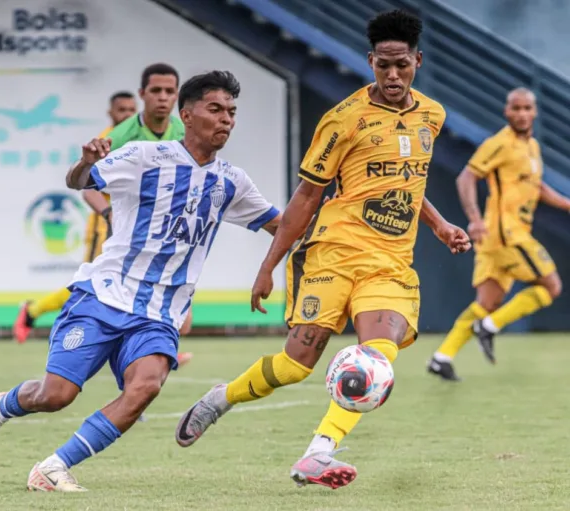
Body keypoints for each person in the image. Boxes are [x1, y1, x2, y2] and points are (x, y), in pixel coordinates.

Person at [175, 10, 471, 490]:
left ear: (417, 60)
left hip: (390, 264)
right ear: (370, 61)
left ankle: (319, 452)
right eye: (383, 66)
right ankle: (221, 398)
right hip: (332, 253)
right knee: (294, 366)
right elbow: (305, 198)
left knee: (376, 358)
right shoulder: (342, 120)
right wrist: (267, 266)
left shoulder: (431, 116)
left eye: (402, 65)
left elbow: (408, 182)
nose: (393, 76)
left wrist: (438, 224)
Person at [0, 70, 282, 492]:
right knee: (56, 396)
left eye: (232, 112)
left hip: (159, 314)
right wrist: (86, 163)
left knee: (145, 387)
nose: (226, 120)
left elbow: (284, 223)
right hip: (105, 296)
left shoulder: (232, 182)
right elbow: (78, 182)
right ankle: (2, 406)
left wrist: (286, 255)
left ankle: (53, 468)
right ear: (188, 114)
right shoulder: (147, 158)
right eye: (216, 109)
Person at [13, 64, 194, 364]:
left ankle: (153, 347)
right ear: (143, 95)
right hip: (113, 228)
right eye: (156, 91)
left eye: (169, 91)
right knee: (99, 291)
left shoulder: (180, 131)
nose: (162, 97)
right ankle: (56, 329)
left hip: (161, 231)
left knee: (178, 317)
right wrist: (111, 216)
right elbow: (87, 188)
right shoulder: (118, 137)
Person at [428, 88, 569, 381]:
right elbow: (466, 176)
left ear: (534, 112)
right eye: (515, 108)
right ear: (506, 112)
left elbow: (537, 187)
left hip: (496, 239)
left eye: (526, 108)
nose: (521, 113)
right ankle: (490, 327)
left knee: (486, 303)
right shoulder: (499, 143)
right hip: (506, 234)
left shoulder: (532, 148)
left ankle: (442, 357)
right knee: (551, 286)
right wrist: (474, 219)